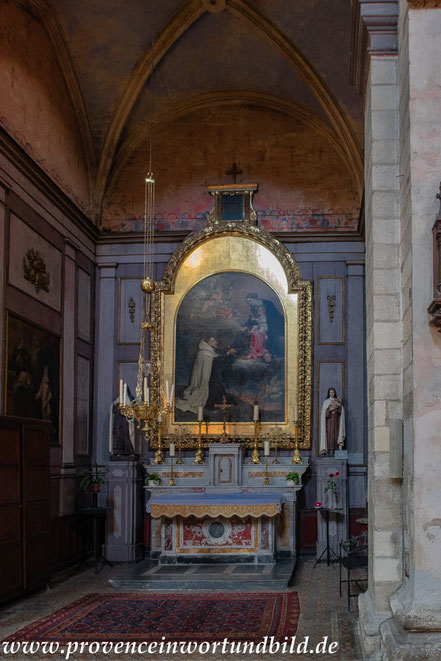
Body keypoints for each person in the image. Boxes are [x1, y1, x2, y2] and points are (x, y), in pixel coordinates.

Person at [175, 336, 219, 414]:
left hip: (208, 378)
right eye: (213, 340)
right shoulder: (206, 354)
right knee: (205, 387)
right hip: (205, 379)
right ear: (208, 342)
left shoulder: (203, 352)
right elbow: (204, 372)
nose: (216, 342)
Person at [319, 387, 345, 454]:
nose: (332, 393)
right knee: (330, 436)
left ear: (334, 393)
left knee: (336, 434)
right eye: (330, 392)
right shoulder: (326, 401)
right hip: (329, 421)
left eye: (333, 392)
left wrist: (339, 406)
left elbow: (341, 411)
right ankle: (329, 451)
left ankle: (337, 451)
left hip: (336, 420)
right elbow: (324, 413)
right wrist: (330, 410)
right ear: (328, 393)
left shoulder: (337, 401)